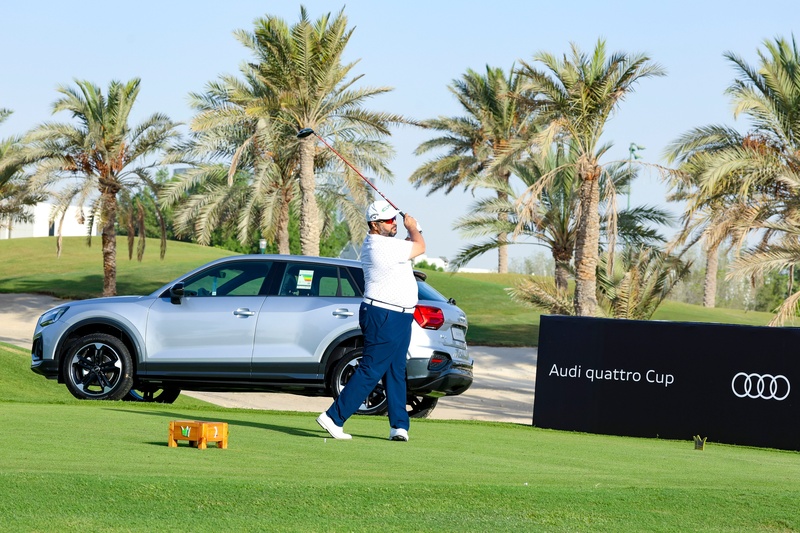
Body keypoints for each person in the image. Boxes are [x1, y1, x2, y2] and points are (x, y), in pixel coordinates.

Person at [316, 200, 425, 441]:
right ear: (375, 225)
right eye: (388, 221)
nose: (393, 223)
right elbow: (420, 246)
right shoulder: (379, 246)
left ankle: (399, 426)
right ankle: (334, 417)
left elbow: (410, 245)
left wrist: (413, 230)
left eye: (394, 219)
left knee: (396, 369)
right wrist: (413, 227)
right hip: (384, 314)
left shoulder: (388, 245)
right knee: (372, 369)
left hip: (400, 315)